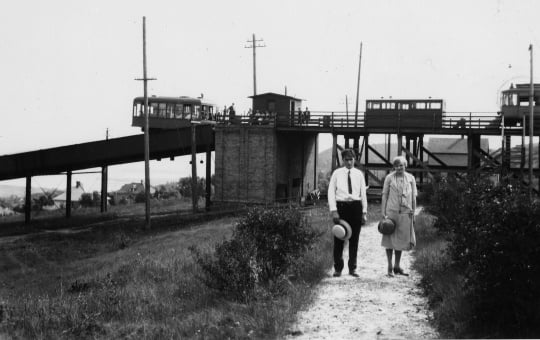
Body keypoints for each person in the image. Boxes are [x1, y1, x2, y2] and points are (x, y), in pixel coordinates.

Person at [328, 149, 368, 277]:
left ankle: (352, 268)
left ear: (354, 159)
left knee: (354, 239)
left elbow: (363, 194)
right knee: (339, 237)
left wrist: (364, 212)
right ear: (343, 160)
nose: (349, 162)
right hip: (341, 207)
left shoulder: (359, 174)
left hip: (356, 207)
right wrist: (334, 210)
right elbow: (330, 192)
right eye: (346, 160)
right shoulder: (337, 173)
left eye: (351, 159)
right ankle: (338, 268)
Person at [381, 155, 417, 277]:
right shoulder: (389, 178)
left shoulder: (411, 178)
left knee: (401, 240)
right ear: (394, 167)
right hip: (391, 212)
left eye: (401, 165)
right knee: (389, 239)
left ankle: (397, 266)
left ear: (405, 165)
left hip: (406, 212)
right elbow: (384, 195)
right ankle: (389, 267)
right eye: (396, 166)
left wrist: (414, 213)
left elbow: (413, 198)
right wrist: (383, 212)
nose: (398, 168)